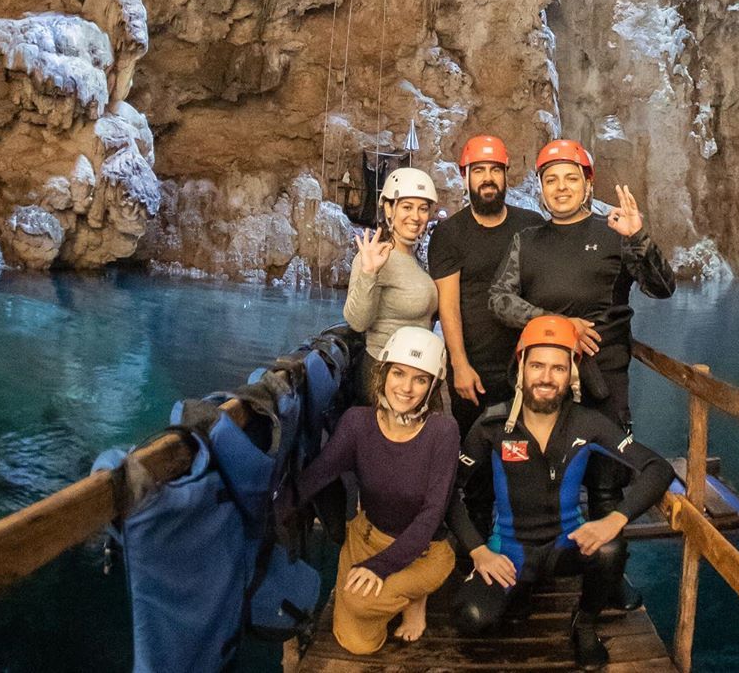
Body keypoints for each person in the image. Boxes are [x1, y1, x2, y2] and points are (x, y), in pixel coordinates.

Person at [448, 315, 674, 670]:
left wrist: (614, 519)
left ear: (573, 373)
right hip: (509, 551)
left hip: (565, 546)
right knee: (472, 618)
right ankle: (520, 588)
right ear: (520, 366)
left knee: (610, 549)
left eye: (558, 368)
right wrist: (478, 552)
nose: (546, 377)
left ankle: (583, 623)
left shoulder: (590, 424)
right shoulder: (492, 424)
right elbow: (450, 491)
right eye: (537, 365)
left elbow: (658, 468)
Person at [287, 327, 458, 653]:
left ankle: (414, 596)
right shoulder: (357, 423)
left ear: (433, 386)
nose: (406, 388)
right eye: (399, 373)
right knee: (357, 643)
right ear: (383, 372)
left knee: (358, 601)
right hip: (367, 537)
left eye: (420, 379)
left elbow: (432, 514)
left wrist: (379, 567)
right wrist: (267, 510)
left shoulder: (442, 431)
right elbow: (319, 474)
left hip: (425, 551)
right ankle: (393, 595)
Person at [488, 139, 675, 430]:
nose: (561, 187)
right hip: (544, 379)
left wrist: (638, 239)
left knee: (606, 468)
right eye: (551, 180)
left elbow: (662, 288)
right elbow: (499, 299)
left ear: (588, 184)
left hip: (603, 379)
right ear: (542, 188)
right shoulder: (525, 241)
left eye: (571, 178)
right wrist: (558, 324)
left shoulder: (616, 233)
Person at [427, 134, 544, 440]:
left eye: (495, 170)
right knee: (475, 457)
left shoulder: (531, 225)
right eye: (478, 171)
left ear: (506, 175)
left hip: (525, 364)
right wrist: (460, 364)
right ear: (465, 177)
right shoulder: (449, 234)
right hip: (474, 368)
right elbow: (448, 305)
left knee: (523, 456)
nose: (488, 179)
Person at [344, 167, 439, 402]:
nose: (415, 217)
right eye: (407, 207)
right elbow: (357, 322)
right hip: (383, 373)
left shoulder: (416, 259)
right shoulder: (376, 256)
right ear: (388, 208)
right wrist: (368, 272)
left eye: (423, 208)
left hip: (415, 371)